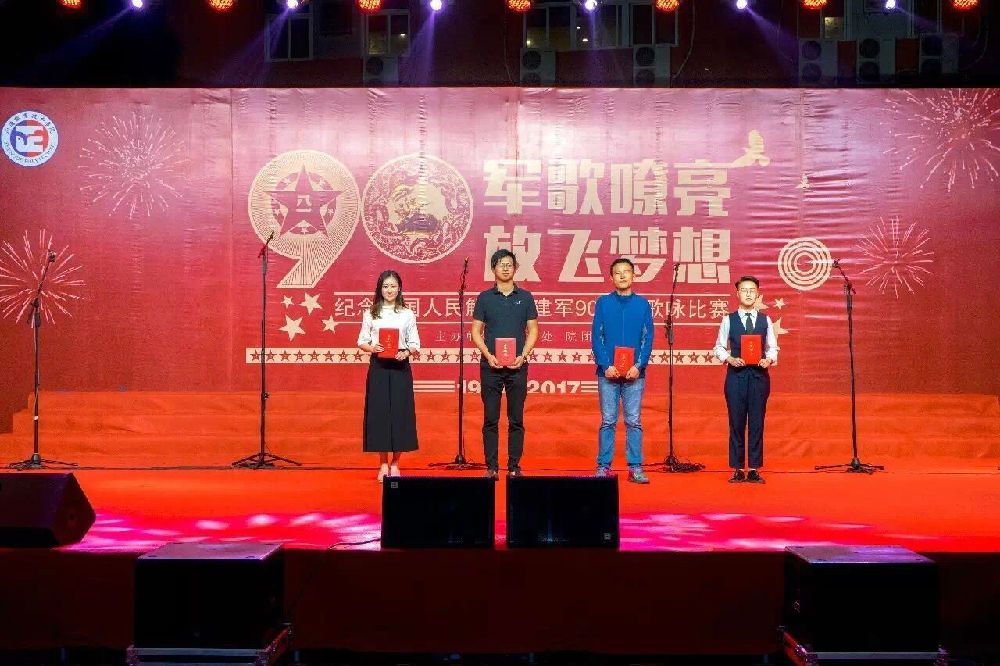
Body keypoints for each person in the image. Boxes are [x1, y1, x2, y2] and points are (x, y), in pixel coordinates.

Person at [471, 249, 538, 480]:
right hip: (490, 366)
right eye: (501, 264)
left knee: (516, 419)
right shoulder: (485, 298)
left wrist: (524, 355)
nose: (506, 268)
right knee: (490, 418)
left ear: (515, 268)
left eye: (509, 264)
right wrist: (488, 355)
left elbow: (533, 330)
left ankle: (514, 466)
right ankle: (491, 467)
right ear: (493, 269)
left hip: (518, 366)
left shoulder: (526, 297)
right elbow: (476, 331)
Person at [591, 257, 654, 484]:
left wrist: (639, 366)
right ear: (611, 277)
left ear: (634, 275)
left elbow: (648, 338)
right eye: (617, 272)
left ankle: (635, 467)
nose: (622, 276)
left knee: (633, 421)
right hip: (607, 373)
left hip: (634, 375)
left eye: (626, 271)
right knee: (608, 420)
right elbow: (596, 336)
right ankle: (603, 466)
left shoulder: (643, 304)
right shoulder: (603, 303)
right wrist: (605, 365)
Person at [713, 276, 779, 484]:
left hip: (759, 377)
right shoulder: (728, 319)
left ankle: (754, 469)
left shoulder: (765, 320)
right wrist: (730, 358)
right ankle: (738, 468)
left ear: (758, 294)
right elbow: (719, 347)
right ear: (737, 294)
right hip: (736, 377)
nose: (748, 293)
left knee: (757, 423)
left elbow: (773, 347)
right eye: (744, 290)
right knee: (736, 422)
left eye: (752, 290)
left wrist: (769, 359)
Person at [357, 270, 420, 482]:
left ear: (399, 288)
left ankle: (395, 463)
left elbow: (415, 343)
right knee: (380, 414)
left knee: (400, 414)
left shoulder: (407, 313)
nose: (389, 290)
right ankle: (383, 463)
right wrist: (372, 347)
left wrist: (406, 352)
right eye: (385, 286)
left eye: (393, 286)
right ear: (380, 289)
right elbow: (362, 341)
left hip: (400, 366)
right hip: (379, 366)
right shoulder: (371, 313)